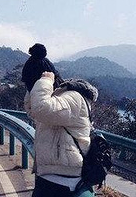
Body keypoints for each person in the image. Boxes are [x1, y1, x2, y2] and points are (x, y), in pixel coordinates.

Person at [23, 43, 97, 197]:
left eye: (33, 86)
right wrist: (34, 90)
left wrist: (44, 81)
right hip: (47, 178)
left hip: (68, 183)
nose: (31, 90)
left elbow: (41, 108)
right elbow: (33, 111)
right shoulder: (52, 99)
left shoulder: (73, 97)